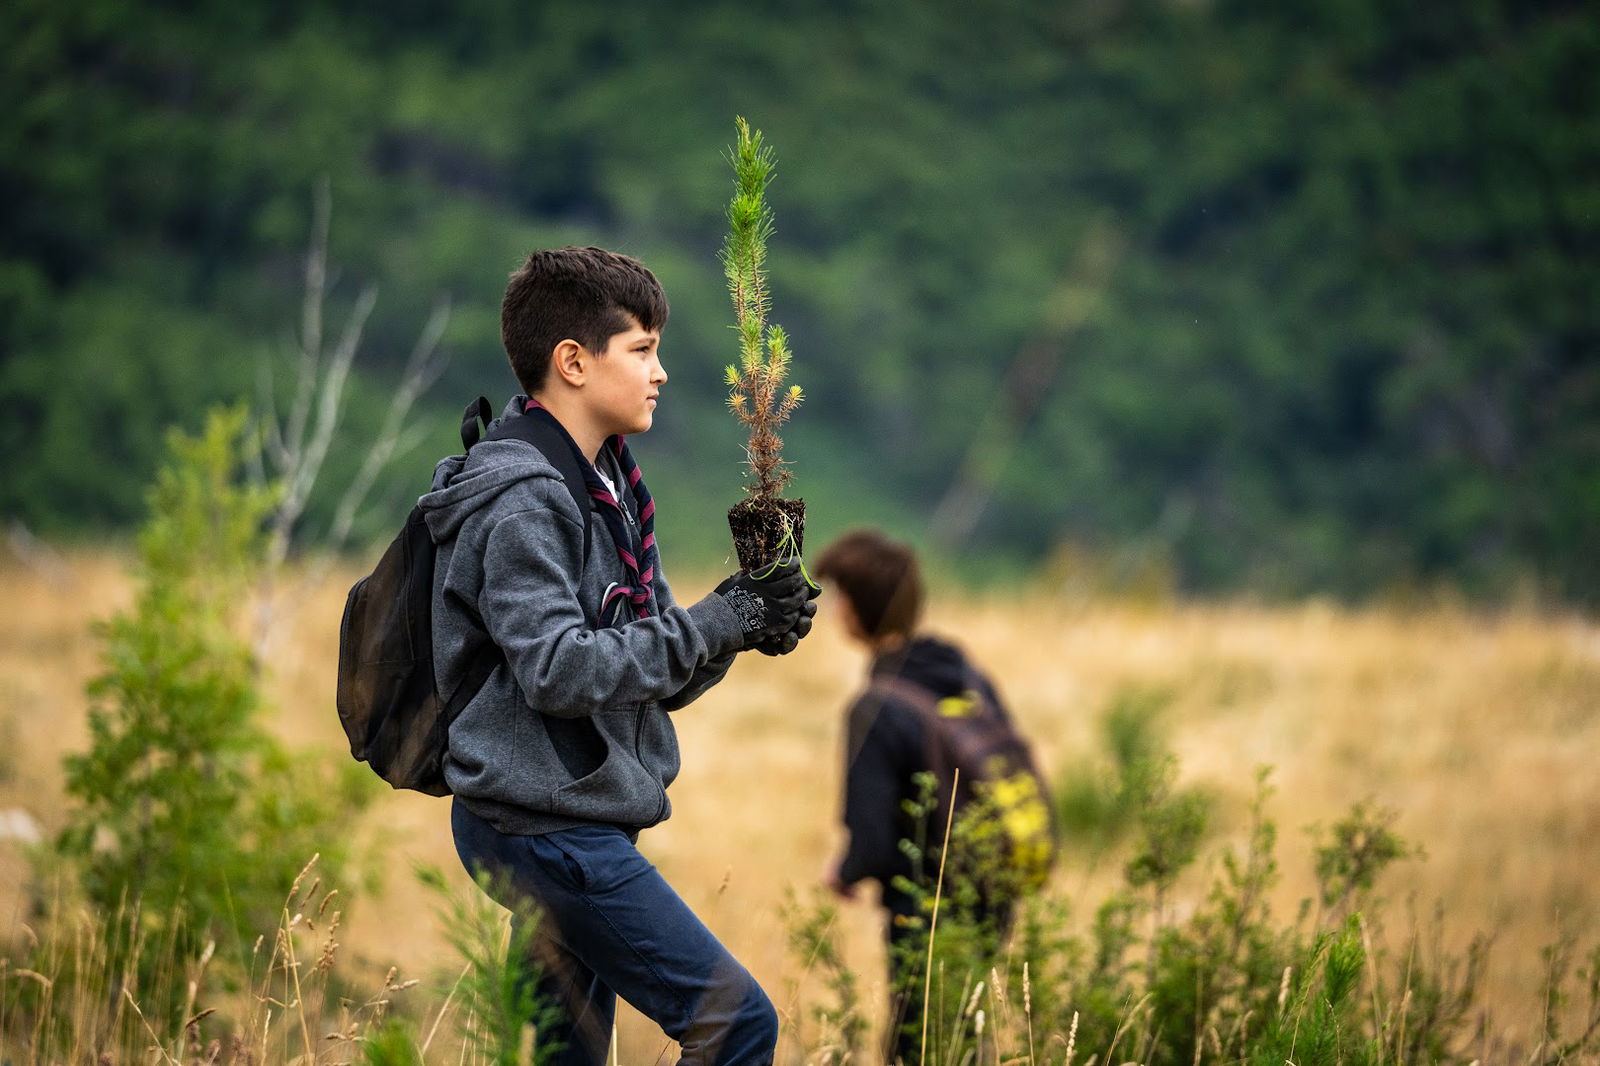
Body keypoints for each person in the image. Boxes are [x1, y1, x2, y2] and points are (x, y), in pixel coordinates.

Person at [424, 246, 817, 1066]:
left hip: (566, 815)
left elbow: (650, 659)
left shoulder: (609, 486)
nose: (661, 372)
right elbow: (561, 670)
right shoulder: (527, 497)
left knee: (563, 1059)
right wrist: (721, 619)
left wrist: (747, 617)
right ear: (572, 361)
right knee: (736, 1023)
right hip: (540, 826)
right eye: (641, 349)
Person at [812, 528, 1053, 1066]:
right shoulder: (963, 673)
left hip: (925, 903)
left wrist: (844, 871)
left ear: (855, 607)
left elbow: (871, 841)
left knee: (915, 1043)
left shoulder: (875, 705)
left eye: (839, 597)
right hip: (994, 884)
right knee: (967, 1034)